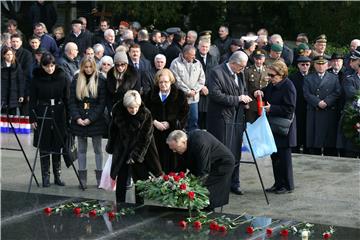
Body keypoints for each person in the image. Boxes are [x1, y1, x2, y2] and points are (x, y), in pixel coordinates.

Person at [207, 51, 252, 195]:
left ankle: (235, 182)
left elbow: (243, 89)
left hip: (237, 118)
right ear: (233, 63)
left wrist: (245, 99)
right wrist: (238, 99)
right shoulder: (216, 72)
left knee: (236, 151)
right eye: (241, 67)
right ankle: (222, 184)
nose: (243, 70)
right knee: (223, 152)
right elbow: (215, 94)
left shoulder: (239, 72)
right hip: (221, 119)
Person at [106, 90, 163, 204]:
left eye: (136, 107)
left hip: (139, 149)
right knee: (121, 178)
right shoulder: (118, 111)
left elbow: (146, 138)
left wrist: (136, 155)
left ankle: (139, 206)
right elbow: (113, 130)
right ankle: (120, 203)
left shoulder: (145, 114)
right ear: (126, 106)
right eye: (131, 107)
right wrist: (111, 147)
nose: (134, 110)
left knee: (140, 180)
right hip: (122, 148)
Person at [254, 60, 296, 194]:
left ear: (281, 74)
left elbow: (289, 108)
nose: (270, 78)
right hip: (274, 126)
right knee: (275, 156)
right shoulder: (273, 84)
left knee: (284, 158)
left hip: (284, 127)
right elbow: (265, 92)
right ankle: (278, 183)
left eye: (272, 75)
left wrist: (272, 108)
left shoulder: (288, 86)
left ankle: (286, 185)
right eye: (269, 75)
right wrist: (259, 92)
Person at [167, 129, 235, 210]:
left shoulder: (200, 143)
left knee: (206, 192)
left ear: (184, 142)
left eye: (176, 148)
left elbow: (204, 172)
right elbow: (181, 166)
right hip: (207, 163)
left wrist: (191, 189)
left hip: (222, 163)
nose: (174, 151)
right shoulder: (183, 143)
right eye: (172, 149)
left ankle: (206, 212)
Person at [29, 53, 68, 187]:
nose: (50, 69)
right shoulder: (36, 78)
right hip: (43, 111)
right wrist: (32, 117)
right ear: (42, 66)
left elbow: (67, 97)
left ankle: (57, 175)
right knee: (44, 144)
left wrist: (68, 117)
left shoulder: (62, 76)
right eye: (47, 66)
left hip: (58, 111)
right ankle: (46, 176)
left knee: (57, 144)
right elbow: (32, 99)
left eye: (52, 66)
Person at [68, 57, 107, 188]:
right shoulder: (76, 80)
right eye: (86, 67)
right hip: (79, 119)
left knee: (97, 149)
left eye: (91, 67)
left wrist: (90, 118)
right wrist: (78, 118)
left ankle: (100, 178)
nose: (88, 69)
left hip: (95, 120)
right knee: (82, 150)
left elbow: (102, 104)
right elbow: (72, 102)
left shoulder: (101, 80)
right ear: (82, 67)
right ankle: (82, 179)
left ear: (94, 67)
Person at [145, 69, 188, 173]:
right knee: (156, 163)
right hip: (155, 134)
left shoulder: (180, 95)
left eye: (166, 82)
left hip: (173, 134)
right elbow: (145, 112)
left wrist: (170, 123)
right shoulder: (150, 94)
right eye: (161, 82)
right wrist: (154, 122)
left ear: (171, 81)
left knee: (173, 164)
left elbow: (184, 114)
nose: (163, 84)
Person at [303, 56, 341, 156]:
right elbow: (306, 93)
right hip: (314, 110)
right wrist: (317, 102)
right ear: (314, 65)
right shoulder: (308, 78)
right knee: (315, 140)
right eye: (318, 64)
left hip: (328, 111)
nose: (320, 66)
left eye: (323, 64)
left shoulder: (334, 77)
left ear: (327, 65)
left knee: (328, 141)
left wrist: (327, 102)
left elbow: (337, 92)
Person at [170, 45, 206, 131]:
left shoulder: (197, 63)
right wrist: (187, 91)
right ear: (185, 54)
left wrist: (194, 90)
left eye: (194, 54)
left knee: (194, 120)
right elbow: (176, 80)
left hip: (194, 98)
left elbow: (202, 79)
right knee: (181, 122)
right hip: (181, 98)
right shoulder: (175, 63)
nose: (194, 56)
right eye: (192, 55)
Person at [288, 56, 312, 154]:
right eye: (303, 64)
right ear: (298, 65)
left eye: (307, 64)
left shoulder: (312, 76)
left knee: (308, 131)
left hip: (310, 108)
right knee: (297, 130)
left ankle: (307, 149)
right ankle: (296, 149)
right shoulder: (292, 77)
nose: (305, 66)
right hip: (297, 108)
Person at [196, 39, 218, 129]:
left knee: (208, 118)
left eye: (206, 47)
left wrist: (209, 87)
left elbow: (216, 75)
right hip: (197, 92)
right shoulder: (194, 58)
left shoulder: (213, 58)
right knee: (198, 117)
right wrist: (201, 87)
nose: (204, 48)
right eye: (202, 46)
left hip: (210, 92)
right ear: (198, 47)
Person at [244, 49, 269, 123]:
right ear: (254, 58)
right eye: (256, 59)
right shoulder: (248, 71)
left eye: (260, 59)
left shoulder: (268, 70)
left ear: (264, 59)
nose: (258, 61)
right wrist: (246, 103)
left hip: (264, 104)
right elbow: (245, 87)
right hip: (252, 104)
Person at [11, 33, 32, 116]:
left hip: (23, 87)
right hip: (10, 88)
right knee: (9, 113)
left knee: (24, 114)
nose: (15, 43)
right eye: (13, 41)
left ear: (21, 42)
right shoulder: (6, 52)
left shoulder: (27, 54)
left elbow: (26, 72)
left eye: (17, 41)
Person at [1, 46, 24, 115]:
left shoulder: (17, 65)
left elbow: (20, 81)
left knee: (13, 115)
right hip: (2, 93)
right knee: (3, 117)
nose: (10, 56)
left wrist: (21, 95)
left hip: (14, 94)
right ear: (4, 55)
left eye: (11, 54)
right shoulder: (1, 66)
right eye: (8, 54)